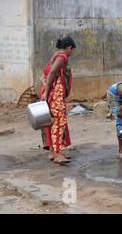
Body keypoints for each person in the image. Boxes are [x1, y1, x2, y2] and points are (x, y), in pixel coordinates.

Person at [39, 36, 76, 164]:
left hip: (50, 92)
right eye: (72, 50)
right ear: (69, 48)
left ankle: (53, 152)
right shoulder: (62, 57)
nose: (72, 54)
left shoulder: (56, 55)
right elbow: (52, 73)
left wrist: (45, 92)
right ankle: (58, 154)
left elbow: (48, 73)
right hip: (55, 94)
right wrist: (48, 91)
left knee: (51, 122)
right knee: (59, 122)